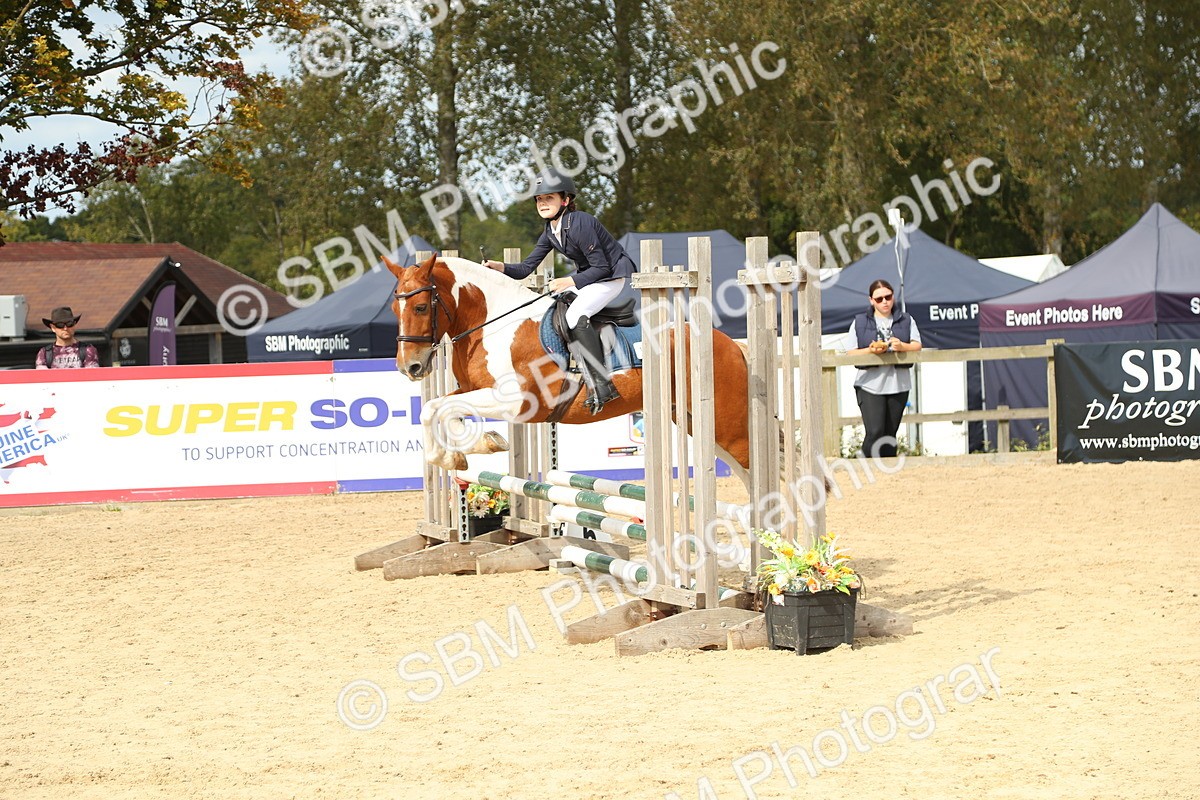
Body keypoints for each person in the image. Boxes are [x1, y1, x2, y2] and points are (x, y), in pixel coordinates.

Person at [482, 168, 636, 414]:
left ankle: (603, 384)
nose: (543, 203)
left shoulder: (581, 222)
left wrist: (569, 281)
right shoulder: (550, 231)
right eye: (539, 200)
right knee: (556, 308)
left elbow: (602, 266)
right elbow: (526, 268)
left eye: (549, 198)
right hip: (592, 277)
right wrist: (499, 267)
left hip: (610, 277)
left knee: (575, 315)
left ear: (565, 200)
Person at [842, 280, 921, 458]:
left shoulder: (906, 319)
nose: (884, 301)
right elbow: (850, 352)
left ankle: (888, 473)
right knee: (875, 431)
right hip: (869, 384)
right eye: (879, 299)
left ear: (893, 297)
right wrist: (870, 350)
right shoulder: (860, 321)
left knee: (890, 434)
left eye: (888, 297)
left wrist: (902, 346)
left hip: (899, 384)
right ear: (871, 300)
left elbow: (917, 345)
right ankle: (864, 466)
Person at [36, 306, 100, 369]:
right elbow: (43, 377)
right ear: (53, 328)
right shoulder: (44, 353)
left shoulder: (88, 350)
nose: (65, 328)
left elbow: (91, 377)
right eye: (60, 325)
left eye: (69, 323)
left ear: (74, 324)